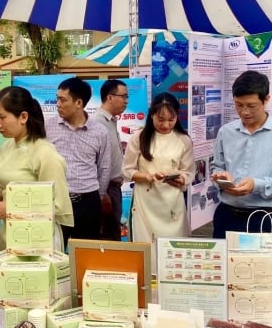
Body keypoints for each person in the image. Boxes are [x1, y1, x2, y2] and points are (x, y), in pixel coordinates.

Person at [0, 86, 73, 251]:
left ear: (23, 117)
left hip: (38, 242)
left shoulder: (45, 153)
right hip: (8, 237)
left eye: (2, 117)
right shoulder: (5, 147)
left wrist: (10, 210)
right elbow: (3, 189)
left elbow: (58, 206)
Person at [210, 70, 272, 238]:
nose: (244, 112)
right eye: (238, 105)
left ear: (266, 99)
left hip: (265, 218)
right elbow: (217, 166)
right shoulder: (226, 132)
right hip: (226, 215)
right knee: (222, 264)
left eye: (251, 106)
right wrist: (220, 177)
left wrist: (256, 185)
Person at [122, 93, 194, 273]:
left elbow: (189, 171)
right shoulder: (139, 137)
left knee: (173, 249)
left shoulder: (183, 140)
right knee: (146, 246)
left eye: (171, 119)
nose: (166, 125)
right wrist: (146, 176)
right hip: (145, 202)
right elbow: (126, 170)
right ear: (151, 115)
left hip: (172, 203)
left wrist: (182, 179)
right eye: (160, 119)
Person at [45, 77, 111, 247]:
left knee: (87, 253)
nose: (58, 104)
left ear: (79, 103)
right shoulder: (47, 127)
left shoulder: (99, 131)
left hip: (87, 202)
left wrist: (98, 196)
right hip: (55, 201)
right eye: (57, 99)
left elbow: (104, 167)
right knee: (53, 251)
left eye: (63, 100)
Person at [91, 79, 128, 241]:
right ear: (110, 97)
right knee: (107, 238)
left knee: (113, 235)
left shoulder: (111, 121)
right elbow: (93, 162)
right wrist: (102, 192)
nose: (126, 101)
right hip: (105, 191)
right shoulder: (97, 123)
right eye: (123, 97)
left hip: (114, 189)